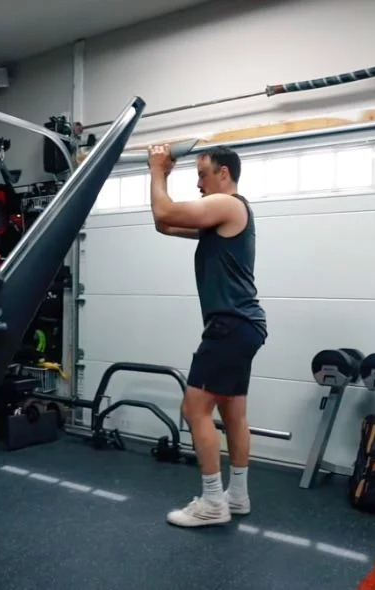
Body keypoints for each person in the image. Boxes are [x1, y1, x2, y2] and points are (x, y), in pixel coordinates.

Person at [146, 144, 267, 527]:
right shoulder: (217, 220)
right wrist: (162, 175)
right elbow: (163, 223)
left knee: (194, 408)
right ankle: (238, 495)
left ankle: (213, 502)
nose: (198, 183)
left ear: (224, 174)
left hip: (230, 325)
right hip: (242, 325)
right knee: (233, 412)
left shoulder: (229, 206)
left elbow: (164, 210)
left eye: (202, 174)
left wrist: (154, 168)